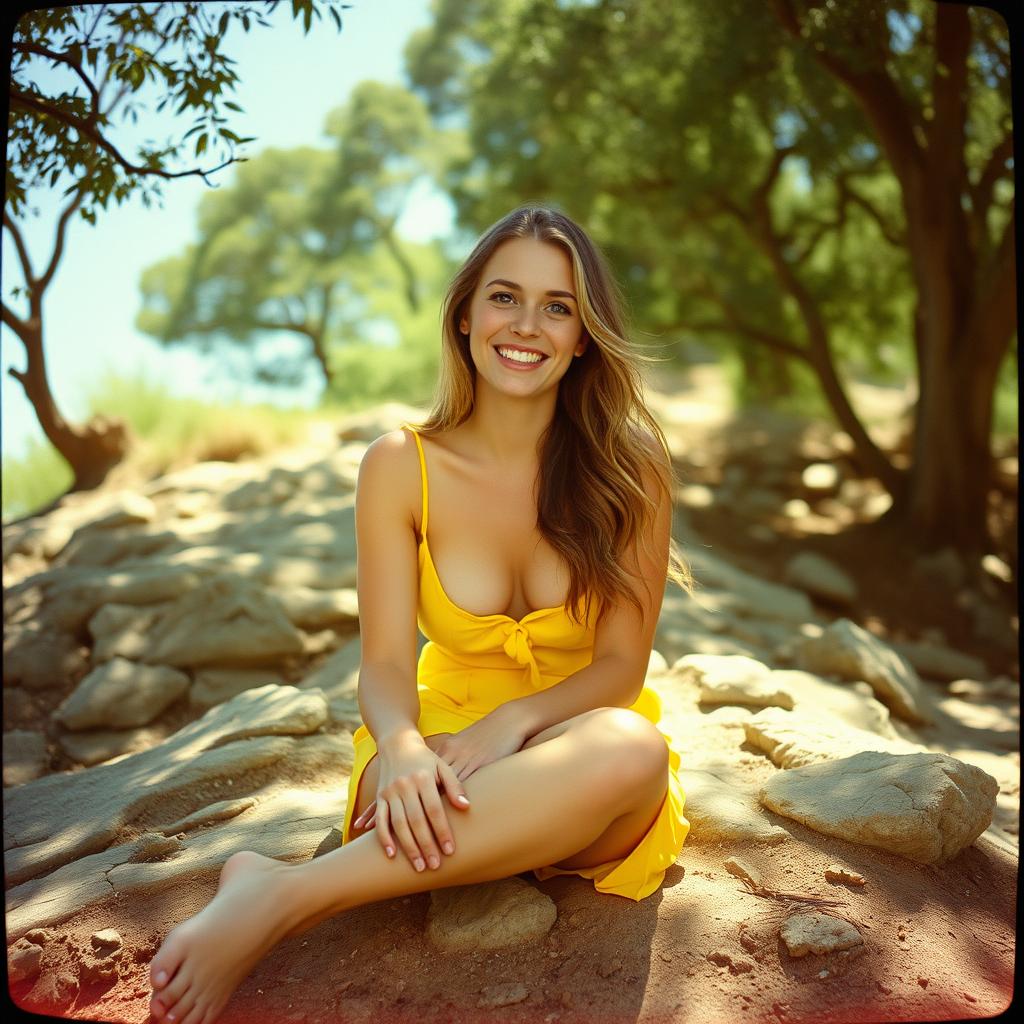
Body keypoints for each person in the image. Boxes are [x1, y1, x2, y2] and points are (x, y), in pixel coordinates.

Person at [147, 204, 695, 1024]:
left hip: (570, 740)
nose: (527, 326)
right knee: (420, 767)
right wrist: (402, 748)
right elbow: (387, 667)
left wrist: (511, 726)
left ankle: (281, 895)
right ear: (466, 313)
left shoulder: (632, 468)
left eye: (558, 306)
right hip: (432, 738)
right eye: (506, 297)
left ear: (584, 335)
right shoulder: (400, 464)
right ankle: (323, 874)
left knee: (631, 749)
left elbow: (620, 669)